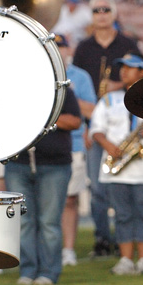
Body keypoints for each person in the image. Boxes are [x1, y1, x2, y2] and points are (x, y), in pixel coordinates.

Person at [72, 0, 141, 258]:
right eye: (96, 10)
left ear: (113, 13)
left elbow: (142, 75)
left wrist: (119, 85)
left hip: (126, 122)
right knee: (98, 188)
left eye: (106, 9)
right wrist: (90, 124)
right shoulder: (83, 48)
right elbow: (77, 88)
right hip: (96, 124)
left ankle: (135, 238)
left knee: (133, 186)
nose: (101, 14)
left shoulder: (127, 43)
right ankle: (103, 240)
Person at [5, 76, 81, 285]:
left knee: (49, 222)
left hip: (54, 165)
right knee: (24, 222)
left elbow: (75, 121)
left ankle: (48, 272)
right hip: (18, 163)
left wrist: (42, 118)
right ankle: (28, 271)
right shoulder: (12, 91)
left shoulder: (62, 90)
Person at [89, 53, 143, 276]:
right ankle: (126, 259)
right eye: (123, 67)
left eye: (131, 67)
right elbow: (96, 129)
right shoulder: (109, 99)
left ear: (142, 72)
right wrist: (108, 145)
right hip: (118, 167)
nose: (124, 71)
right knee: (122, 214)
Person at [55, 34, 96, 268]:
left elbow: (91, 110)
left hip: (74, 144)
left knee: (70, 199)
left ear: (68, 50)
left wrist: (64, 95)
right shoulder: (38, 72)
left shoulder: (80, 76)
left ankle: (68, 249)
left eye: (62, 46)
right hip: (45, 146)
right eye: (55, 47)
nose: (59, 51)